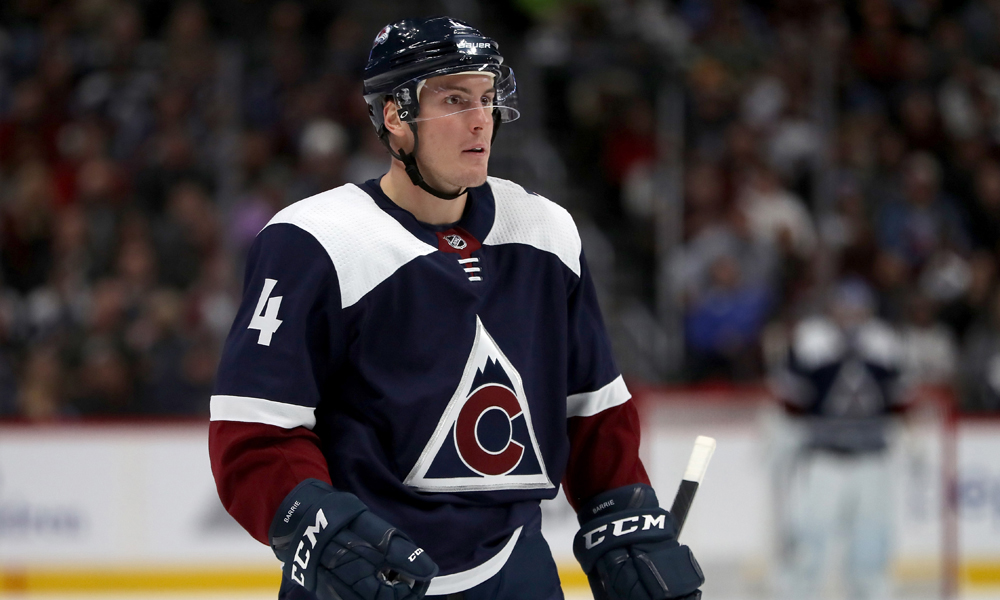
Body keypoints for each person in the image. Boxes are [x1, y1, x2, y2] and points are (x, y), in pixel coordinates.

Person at [208, 16, 704, 600]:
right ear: (396, 117)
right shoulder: (313, 241)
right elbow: (255, 430)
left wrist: (625, 515)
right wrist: (313, 520)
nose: (479, 121)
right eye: (453, 99)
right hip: (372, 584)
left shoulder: (545, 232)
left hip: (516, 571)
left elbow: (593, 409)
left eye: (487, 99)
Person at [770, 279, 907, 600]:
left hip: (872, 458)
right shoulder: (810, 340)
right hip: (823, 458)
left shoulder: (885, 342)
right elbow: (790, 401)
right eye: (844, 307)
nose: (851, 315)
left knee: (871, 545)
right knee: (809, 539)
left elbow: (901, 401)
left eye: (857, 308)